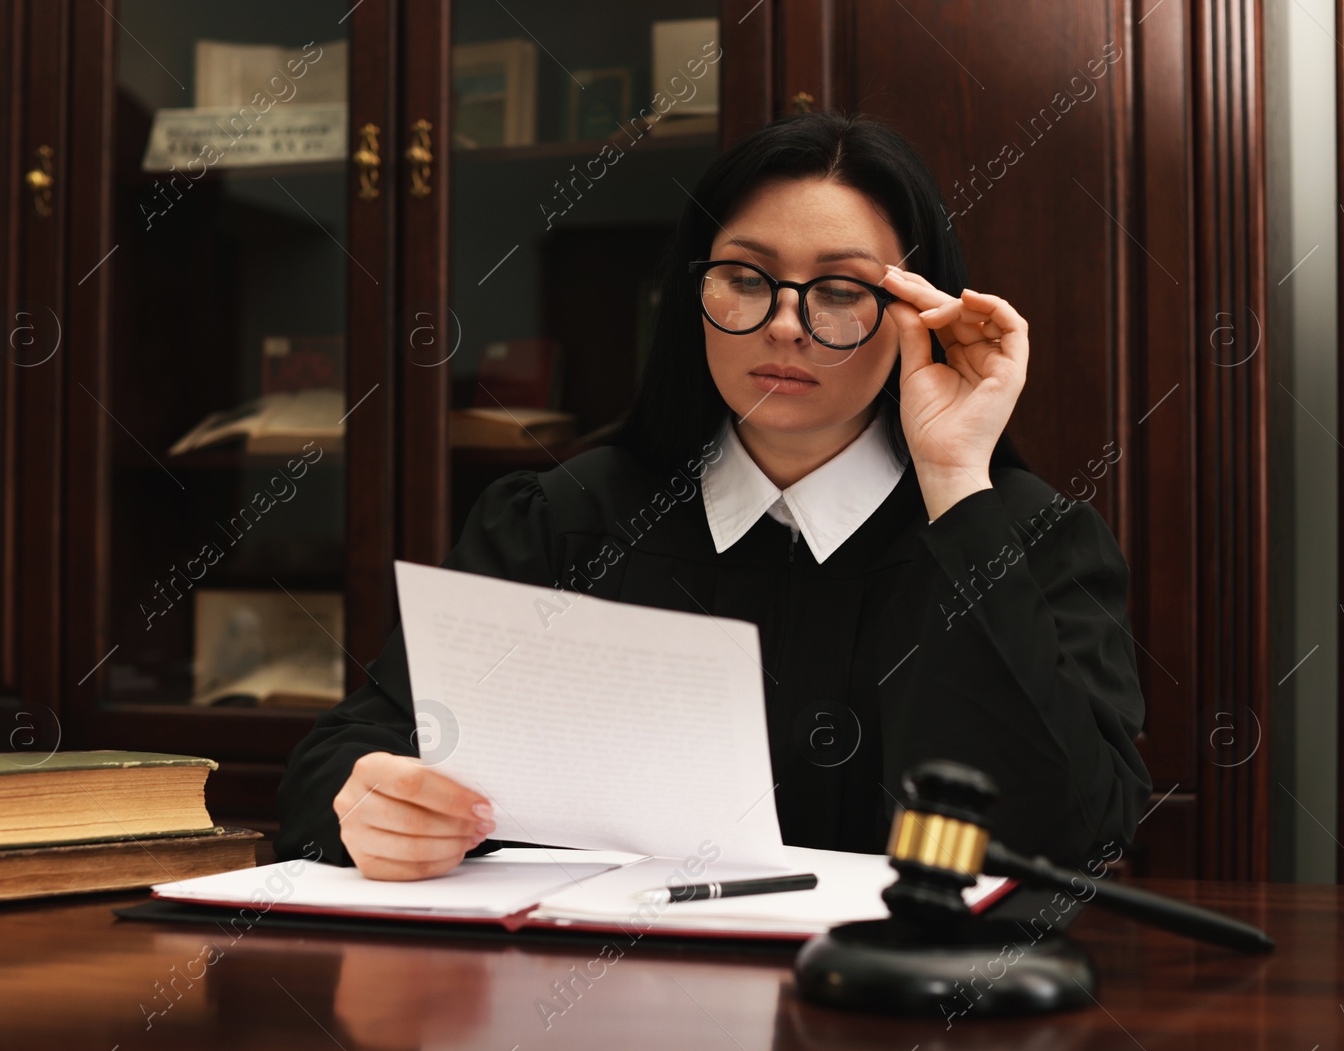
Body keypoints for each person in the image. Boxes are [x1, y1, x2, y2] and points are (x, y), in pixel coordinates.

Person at [275, 109, 1152, 880]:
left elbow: (1080, 835)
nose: (780, 322)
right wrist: (372, 808)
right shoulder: (569, 517)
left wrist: (958, 478)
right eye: (744, 276)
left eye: (841, 291)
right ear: (693, 293)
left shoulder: (1026, 536)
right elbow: (344, 759)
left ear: (918, 314)